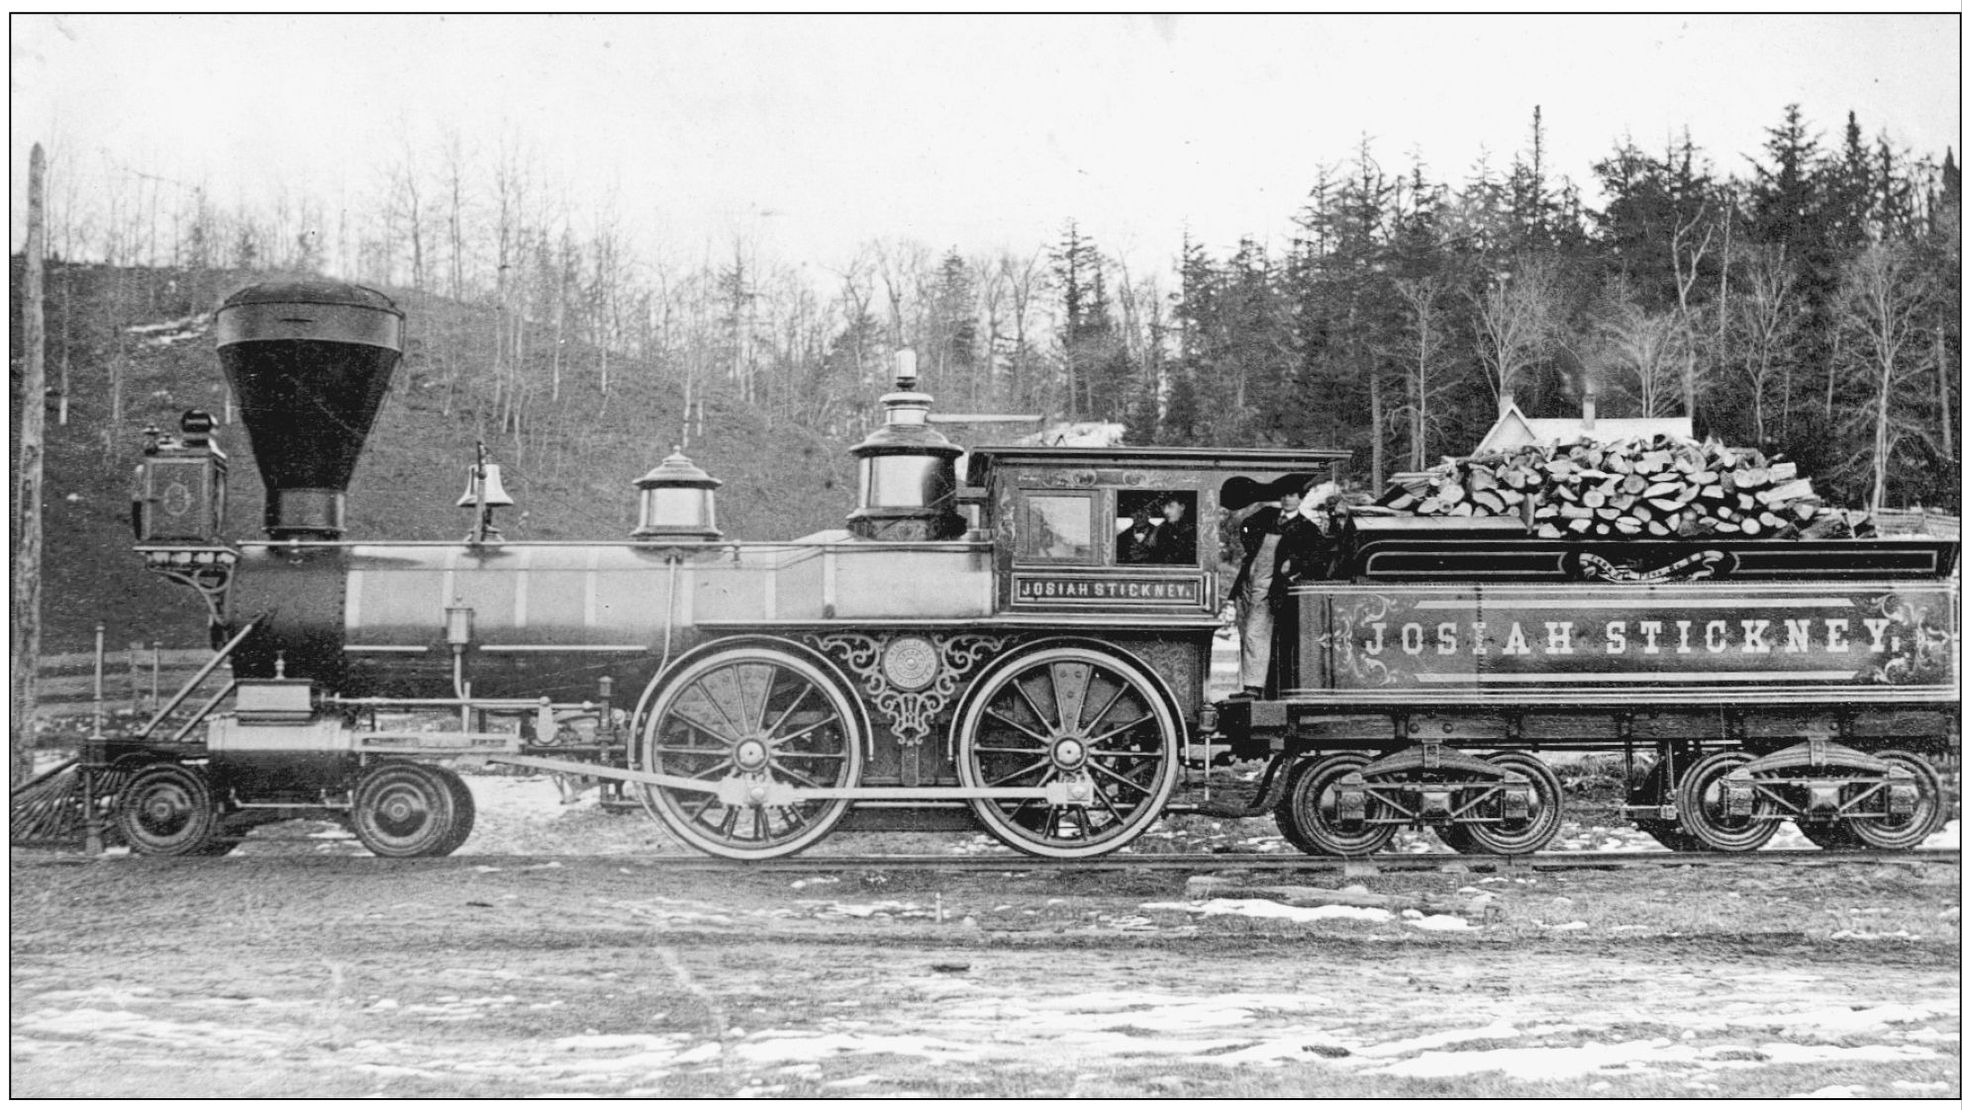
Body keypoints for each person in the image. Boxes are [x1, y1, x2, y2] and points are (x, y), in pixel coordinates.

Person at [1222, 476, 1335, 699]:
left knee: (1256, 634)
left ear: (1300, 499)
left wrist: (1293, 564)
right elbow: (1245, 527)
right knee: (1245, 634)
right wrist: (1251, 545)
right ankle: (1247, 685)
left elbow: (1317, 558)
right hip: (1248, 582)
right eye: (1283, 495)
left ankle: (1253, 688)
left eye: (1291, 495)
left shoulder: (1307, 528)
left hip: (1270, 587)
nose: (1286, 499)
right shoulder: (1267, 516)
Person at [1139, 497, 1196, 564]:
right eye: (1163, 507)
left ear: (1182, 507)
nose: (1165, 511)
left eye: (1171, 506)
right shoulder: (1159, 530)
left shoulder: (1197, 530)